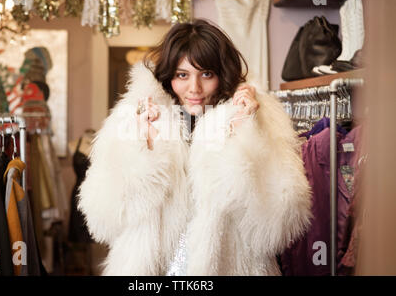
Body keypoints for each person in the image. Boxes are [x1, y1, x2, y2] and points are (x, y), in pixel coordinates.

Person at [78, 19, 312, 276]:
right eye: (182, 75)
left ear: (222, 74)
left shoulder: (256, 116)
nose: (194, 88)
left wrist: (246, 137)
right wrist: (145, 151)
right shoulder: (133, 117)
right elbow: (102, 218)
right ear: (169, 76)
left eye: (206, 74)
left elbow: (279, 224)